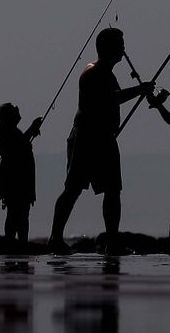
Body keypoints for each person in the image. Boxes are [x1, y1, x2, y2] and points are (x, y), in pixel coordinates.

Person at [48, 28, 155, 252]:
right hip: (87, 138)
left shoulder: (107, 72)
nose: (124, 49)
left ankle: (112, 242)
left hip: (104, 138)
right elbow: (111, 97)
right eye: (120, 44)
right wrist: (139, 89)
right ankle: (55, 238)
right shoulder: (94, 72)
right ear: (108, 48)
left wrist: (140, 91)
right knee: (73, 188)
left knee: (112, 189)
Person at [0, 103, 42, 243]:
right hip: (14, 179)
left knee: (18, 213)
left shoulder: (11, 132)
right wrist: (32, 128)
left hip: (17, 177)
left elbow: (20, 143)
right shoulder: (7, 133)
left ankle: (16, 244)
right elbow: (17, 147)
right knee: (17, 213)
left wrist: (31, 131)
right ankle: (17, 244)